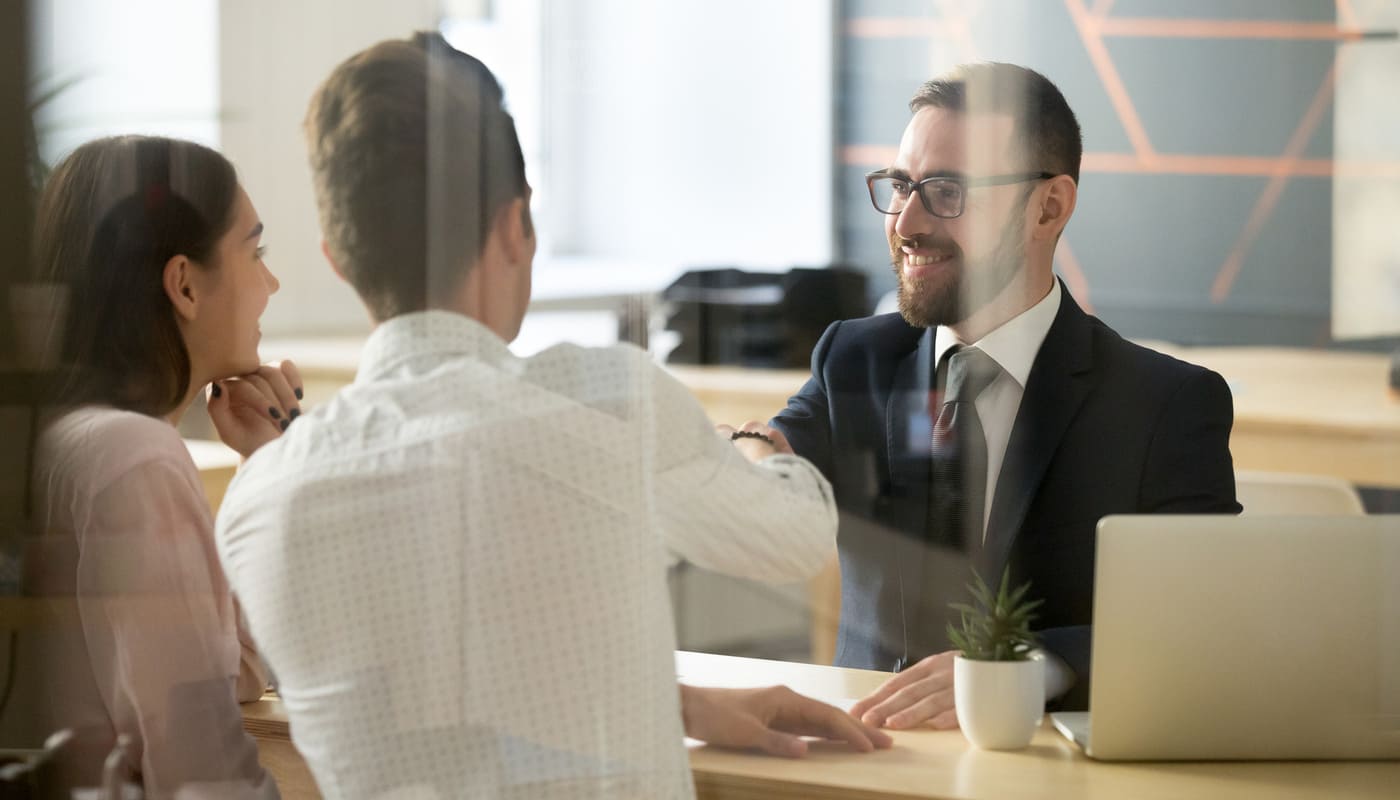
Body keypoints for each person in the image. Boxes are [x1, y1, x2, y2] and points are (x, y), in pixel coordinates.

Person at [215, 33, 888, 800]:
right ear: (515, 225)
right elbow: (797, 538)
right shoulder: (605, 399)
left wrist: (677, 704)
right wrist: (754, 442)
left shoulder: (258, 500)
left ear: (337, 258)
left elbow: (438, 709)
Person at [769, 63, 1241, 726]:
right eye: (901, 186)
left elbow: (1200, 622)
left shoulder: (1165, 405)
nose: (906, 223)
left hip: (1044, 760)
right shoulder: (853, 358)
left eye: (948, 191)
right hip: (867, 751)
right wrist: (751, 450)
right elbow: (774, 456)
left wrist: (1024, 668)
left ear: (1048, 207)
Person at [17, 135, 296, 797]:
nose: (272, 283)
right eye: (255, 253)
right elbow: (203, 775)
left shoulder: (66, 438)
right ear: (185, 285)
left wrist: (262, 464)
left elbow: (232, 673)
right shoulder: (134, 457)